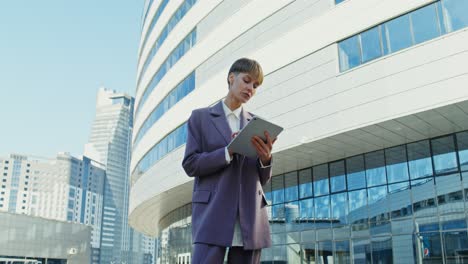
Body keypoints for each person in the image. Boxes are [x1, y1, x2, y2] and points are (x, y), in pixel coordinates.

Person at [182, 58, 276, 264]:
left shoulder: (256, 124)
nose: (250, 88)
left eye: (255, 85)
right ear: (231, 78)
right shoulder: (200, 118)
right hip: (212, 213)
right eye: (247, 80)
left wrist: (265, 159)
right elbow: (190, 164)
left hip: (250, 217)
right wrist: (227, 152)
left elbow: (263, 179)